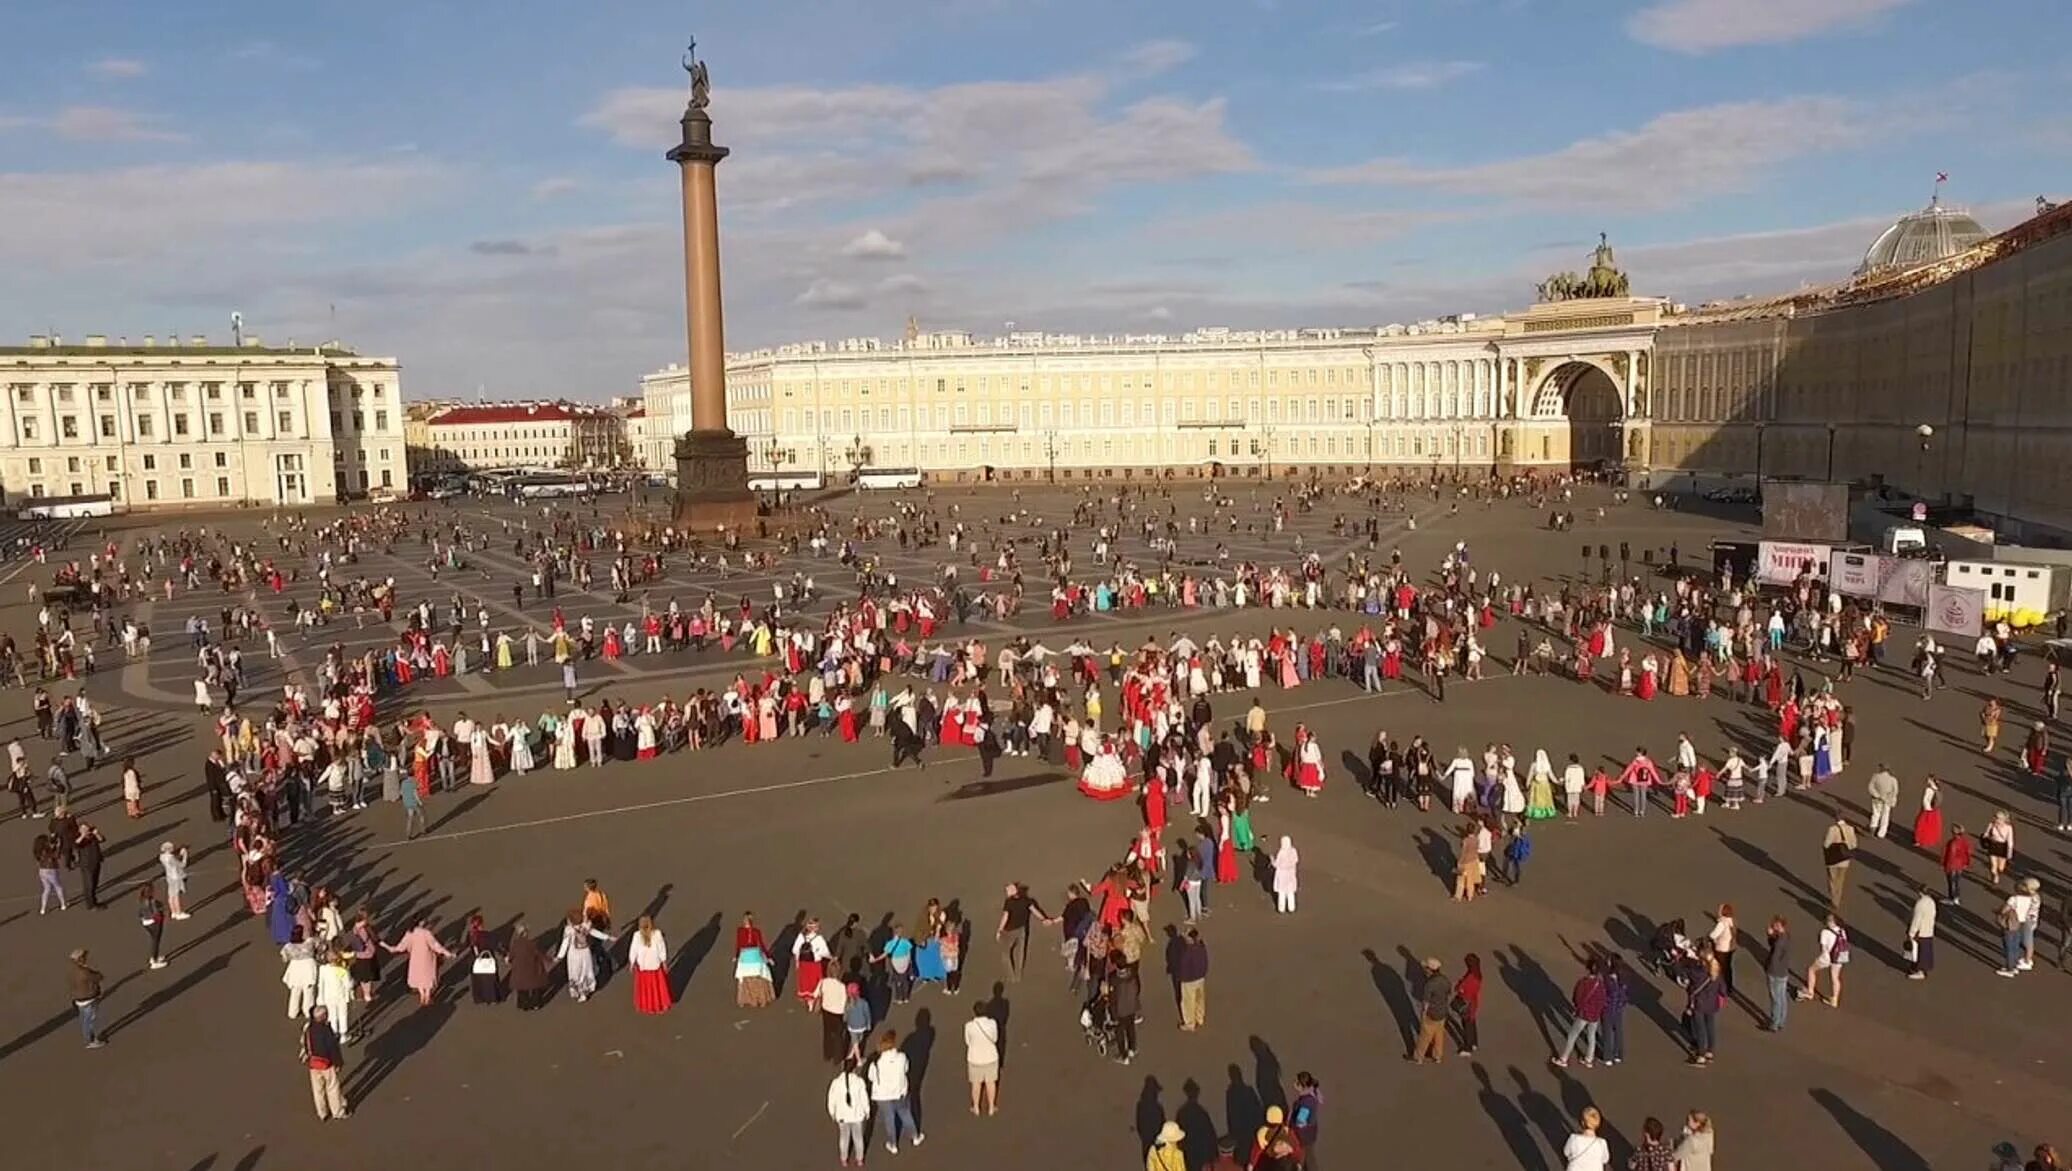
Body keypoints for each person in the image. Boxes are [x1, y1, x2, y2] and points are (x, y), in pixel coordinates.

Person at [868, 1031, 923, 1153]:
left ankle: (893, 1144)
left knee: (889, 1119)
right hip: (899, 1092)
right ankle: (915, 1136)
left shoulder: (876, 1063)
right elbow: (906, 1069)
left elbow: (872, 1077)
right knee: (905, 1114)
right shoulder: (901, 1057)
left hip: (883, 1096)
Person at [1551, 956, 1607, 1068]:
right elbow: (1602, 1000)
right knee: (1592, 1036)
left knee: (1572, 1036)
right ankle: (1589, 1059)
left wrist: (1578, 1007)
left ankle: (1564, 1058)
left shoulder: (1583, 982)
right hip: (1595, 1016)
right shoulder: (1600, 984)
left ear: (1588, 968)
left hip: (1583, 1015)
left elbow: (1577, 998)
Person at [302, 1004, 348, 1120]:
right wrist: (338, 1062)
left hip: (313, 1064)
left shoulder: (309, 1029)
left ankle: (322, 1113)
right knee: (332, 1088)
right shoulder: (326, 1030)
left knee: (318, 1090)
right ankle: (337, 1111)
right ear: (323, 1016)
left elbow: (306, 1045)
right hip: (326, 1064)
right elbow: (332, 1048)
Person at [827, 1057, 870, 1167]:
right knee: (858, 1138)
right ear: (854, 1069)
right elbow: (864, 1098)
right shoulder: (859, 1082)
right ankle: (859, 1159)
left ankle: (844, 1158)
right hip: (857, 1116)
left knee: (844, 1137)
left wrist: (832, 1113)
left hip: (842, 1116)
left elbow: (831, 1100)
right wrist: (867, 1110)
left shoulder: (836, 1083)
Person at [1802, 912, 1848, 1006]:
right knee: (1835, 977)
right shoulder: (1842, 931)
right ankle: (1834, 999)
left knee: (1811, 970)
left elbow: (1823, 948)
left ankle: (1810, 992)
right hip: (1839, 957)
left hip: (1826, 958)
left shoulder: (1825, 932)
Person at [1410, 957, 1451, 1063]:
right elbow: (1448, 993)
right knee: (1439, 1035)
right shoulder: (1445, 980)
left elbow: (1426, 1001)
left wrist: (1423, 1013)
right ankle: (1437, 1056)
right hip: (1442, 1011)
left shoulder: (1430, 984)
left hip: (1432, 1013)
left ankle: (1418, 1057)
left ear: (1429, 970)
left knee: (1425, 1035)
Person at [964, 1000, 1000, 1117]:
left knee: (976, 1084)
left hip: (975, 1058)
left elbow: (968, 1042)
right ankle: (991, 1107)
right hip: (990, 1057)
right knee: (991, 1083)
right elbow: (994, 1039)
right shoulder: (992, 1024)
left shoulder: (969, 1026)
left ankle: (976, 1107)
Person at [629, 915, 672, 1014]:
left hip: (643, 966)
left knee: (646, 989)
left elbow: (633, 950)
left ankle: (649, 1007)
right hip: (655, 965)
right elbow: (662, 949)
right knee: (658, 987)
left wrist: (632, 962)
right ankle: (661, 1005)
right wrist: (664, 961)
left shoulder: (637, 935)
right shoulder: (657, 934)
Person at [68, 948, 105, 1049]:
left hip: (78, 999)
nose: (86, 958)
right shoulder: (84, 972)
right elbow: (99, 977)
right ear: (80, 959)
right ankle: (91, 1040)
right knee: (90, 1020)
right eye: (84, 957)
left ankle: (88, 1038)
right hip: (88, 998)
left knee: (84, 1019)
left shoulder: (73, 971)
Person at [1822, 812, 1857, 909]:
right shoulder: (1851, 829)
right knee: (1840, 880)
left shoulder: (1832, 829)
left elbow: (1826, 844)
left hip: (1833, 859)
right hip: (1845, 860)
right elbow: (1854, 844)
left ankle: (1834, 900)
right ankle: (1837, 899)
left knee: (1832, 880)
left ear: (1836, 818)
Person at [1176, 927, 1208, 1031]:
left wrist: (1180, 977)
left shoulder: (1187, 951)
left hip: (1189, 979)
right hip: (1201, 977)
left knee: (1188, 1002)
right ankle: (1200, 1018)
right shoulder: (1201, 946)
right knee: (1199, 999)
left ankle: (1190, 1023)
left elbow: (1183, 966)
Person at [1562, 1106, 1610, 1171]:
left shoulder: (1574, 1138)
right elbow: (1605, 1159)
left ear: (1582, 1123)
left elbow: (1566, 1152)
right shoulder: (1602, 1143)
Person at [1455, 952, 1483, 1055]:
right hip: (1473, 1002)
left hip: (1466, 1003)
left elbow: (1461, 989)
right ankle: (1474, 1043)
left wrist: (1459, 985)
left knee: (1467, 1024)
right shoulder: (1477, 974)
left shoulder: (1470, 977)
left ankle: (1468, 1047)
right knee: (1472, 1022)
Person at [139, 882, 168, 970]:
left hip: (146, 923)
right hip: (154, 923)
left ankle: (154, 957)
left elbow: (141, 914)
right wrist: (162, 910)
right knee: (156, 941)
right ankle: (154, 960)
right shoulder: (151, 902)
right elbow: (156, 913)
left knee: (154, 940)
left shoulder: (142, 900)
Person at [1866, 764, 1899, 838]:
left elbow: (1870, 787)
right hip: (1887, 800)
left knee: (1876, 813)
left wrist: (1877, 795)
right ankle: (1881, 833)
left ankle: (1873, 828)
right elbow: (1895, 791)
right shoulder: (1893, 779)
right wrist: (1890, 798)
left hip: (1877, 800)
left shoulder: (1875, 777)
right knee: (1885, 816)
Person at [1272, 836, 1300, 913]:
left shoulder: (1281, 852)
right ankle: (1291, 908)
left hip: (1282, 875)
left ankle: (1281, 908)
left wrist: (1272, 860)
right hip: (1291, 874)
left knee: (1282, 893)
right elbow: (1296, 860)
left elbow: (1276, 864)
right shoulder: (1293, 851)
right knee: (1290, 892)